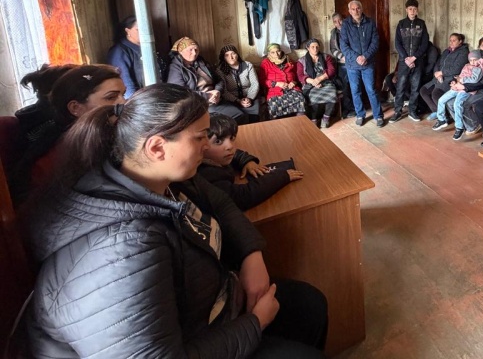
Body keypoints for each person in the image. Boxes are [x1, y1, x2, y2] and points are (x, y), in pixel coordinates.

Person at [25, 83, 328, 358]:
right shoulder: (124, 251)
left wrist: (251, 255)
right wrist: (256, 322)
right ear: (157, 147)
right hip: (189, 339)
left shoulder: (161, 175)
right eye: (200, 137)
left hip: (207, 309)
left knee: (309, 304)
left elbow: (221, 202)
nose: (207, 146)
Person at [8, 64, 125, 206]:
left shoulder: (109, 136)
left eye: (123, 95)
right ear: (75, 108)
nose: (124, 103)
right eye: (111, 97)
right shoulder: (56, 157)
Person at [199, 114, 304, 210]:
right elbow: (243, 197)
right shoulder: (207, 176)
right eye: (218, 141)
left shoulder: (215, 156)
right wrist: (282, 176)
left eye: (231, 138)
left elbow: (236, 154)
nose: (230, 146)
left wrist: (246, 161)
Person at [168, 36, 247, 124]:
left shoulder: (201, 62)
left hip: (215, 100)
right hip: (197, 104)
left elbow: (219, 80)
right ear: (180, 51)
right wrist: (207, 96)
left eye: (196, 49)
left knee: (240, 115)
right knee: (232, 118)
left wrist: (217, 91)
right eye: (190, 50)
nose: (194, 53)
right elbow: (181, 93)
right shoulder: (175, 68)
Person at [339, 0, 385, 127]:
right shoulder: (345, 25)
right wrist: (356, 57)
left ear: (362, 9)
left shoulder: (370, 22)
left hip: (367, 63)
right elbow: (344, 46)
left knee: (371, 89)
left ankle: (378, 116)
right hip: (352, 65)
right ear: (349, 11)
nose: (356, 11)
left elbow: (375, 42)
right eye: (353, 9)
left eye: (358, 8)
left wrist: (365, 56)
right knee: (355, 91)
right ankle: (360, 114)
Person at [446, 35, 483, 134]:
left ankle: (474, 124)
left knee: (464, 104)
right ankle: (464, 125)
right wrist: (456, 81)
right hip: (470, 86)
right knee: (449, 103)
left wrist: (465, 87)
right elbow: (466, 71)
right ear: (479, 46)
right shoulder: (475, 56)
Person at [432, 50, 483, 140]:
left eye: (475, 60)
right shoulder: (467, 65)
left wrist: (462, 80)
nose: (473, 62)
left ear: (479, 59)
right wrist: (455, 81)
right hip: (458, 86)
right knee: (441, 100)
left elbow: (474, 79)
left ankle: (459, 127)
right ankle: (441, 119)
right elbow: (460, 75)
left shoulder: (479, 68)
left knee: (457, 104)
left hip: (466, 90)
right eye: (471, 60)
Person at [390, 0, 429, 123]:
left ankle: (412, 111)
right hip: (404, 61)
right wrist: (406, 58)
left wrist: (414, 57)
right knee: (400, 86)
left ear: (417, 10)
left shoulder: (421, 24)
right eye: (410, 9)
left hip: (418, 61)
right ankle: (397, 111)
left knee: (415, 87)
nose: (412, 11)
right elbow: (397, 43)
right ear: (406, 10)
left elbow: (425, 44)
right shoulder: (401, 24)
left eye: (415, 9)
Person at [419, 33, 469, 117]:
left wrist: (442, 73)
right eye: (450, 40)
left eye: (454, 40)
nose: (451, 42)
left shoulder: (463, 52)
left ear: (460, 41)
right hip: (439, 77)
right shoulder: (446, 51)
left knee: (436, 94)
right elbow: (438, 63)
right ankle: (437, 112)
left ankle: (444, 116)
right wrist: (437, 73)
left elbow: (457, 68)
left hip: (451, 79)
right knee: (424, 91)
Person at [296, 38, 337, 128]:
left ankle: (326, 118)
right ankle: (313, 119)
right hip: (310, 83)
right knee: (312, 96)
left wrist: (320, 78)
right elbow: (300, 76)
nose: (315, 49)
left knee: (332, 93)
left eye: (317, 47)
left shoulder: (326, 57)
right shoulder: (301, 61)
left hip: (325, 81)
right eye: (312, 47)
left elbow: (332, 70)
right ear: (308, 48)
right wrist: (313, 81)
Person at [259, 43, 307, 120]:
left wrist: (294, 82)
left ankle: (300, 122)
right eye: (273, 52)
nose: (276, 54)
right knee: (274, 105)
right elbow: (262, 80)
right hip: (275, 90)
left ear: (281, 51)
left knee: (300, 100)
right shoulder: (265, 63)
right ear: (269, 53)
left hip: (292, 89)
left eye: (278, 51)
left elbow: (297, 75)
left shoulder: (288, 60)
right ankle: (277, 126)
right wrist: (276, 83)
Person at [216, 44, 261, 124]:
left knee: (254, 118)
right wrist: (238, 100)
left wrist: (249, 98)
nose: (231, 57)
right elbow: (224, 91)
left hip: (250, 97)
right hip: (232, 100)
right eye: (227, 55)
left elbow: (255, 84)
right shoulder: (220, 70)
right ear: (223, 57)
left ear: (237, 54)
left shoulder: (248, 65)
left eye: (233, 53)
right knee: (238, 118)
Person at [106, 15, 147, 98]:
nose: (144, 32)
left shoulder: (145, 47)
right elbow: (127, 86)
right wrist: (135, 103)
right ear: (128, 31)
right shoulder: (119, 52)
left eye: (146, 29)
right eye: (138, 30)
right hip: (139, 99)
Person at [329, 12, 355, 118]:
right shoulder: (333, 32)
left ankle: (355, 108)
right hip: (341, 64)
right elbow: (332, 48)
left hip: (353, 62)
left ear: (343, 19)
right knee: (344, 86)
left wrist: (350, 57)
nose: (338, 23)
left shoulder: (351, 29)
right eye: (335, 22)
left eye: (340, 20)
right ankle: (347, 109)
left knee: (354, 85)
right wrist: (341, 56)